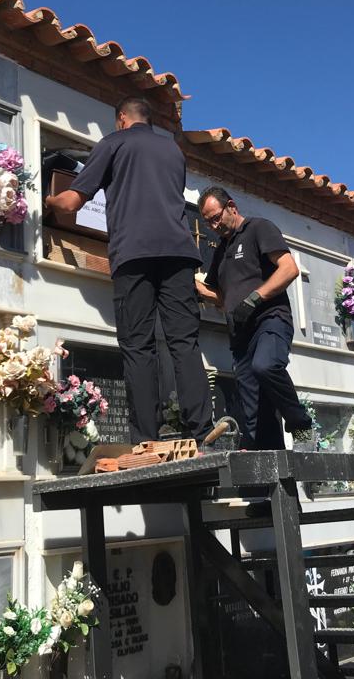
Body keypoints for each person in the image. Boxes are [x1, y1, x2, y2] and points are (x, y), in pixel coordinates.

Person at [45, 97, 214, 444]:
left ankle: (146, 438)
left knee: (139, 346)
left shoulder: (113, 143)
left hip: (134, 254)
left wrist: (44, 198)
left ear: (121, 119)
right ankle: (203, 429)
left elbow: (73, 202)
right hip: (180, 254)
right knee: (184, 342)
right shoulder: (173, 152)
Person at [195, 186, 313, 451]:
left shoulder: (259, 228)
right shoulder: (221, 252)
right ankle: (272, 483)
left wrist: (255, 298)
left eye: (216, 217)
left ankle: (302, 426)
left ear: (231, 206)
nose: (213, 225)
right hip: (241, 338)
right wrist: (188, 284)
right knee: (255, 415)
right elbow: (219, 296)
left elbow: (289, 269)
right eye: (208, 222)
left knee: (266, 366)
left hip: (270, 320)